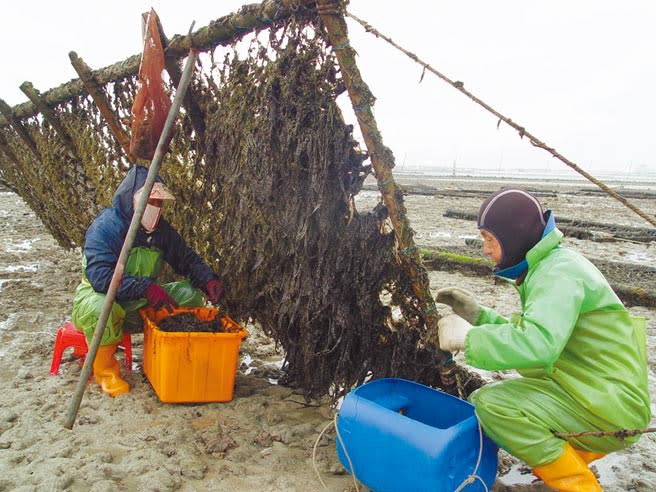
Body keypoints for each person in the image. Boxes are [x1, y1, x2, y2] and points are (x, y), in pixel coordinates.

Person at [436, 187, 650, 491]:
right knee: (519, 400)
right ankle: (567, 459)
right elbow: (536, 334)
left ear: (514, 237)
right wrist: (480, 317)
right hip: (592, 391)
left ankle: (579, 485)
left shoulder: (557, 274)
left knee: (493, 404)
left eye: (490, 239)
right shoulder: (549, 265)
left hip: (609, 405)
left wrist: (470, 339)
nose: (485, 249)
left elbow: (539, 346)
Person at [71, 165, 225, 397]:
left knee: (189, 294)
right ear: (133, 201)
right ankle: (105, 371)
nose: (157, 208)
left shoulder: (162, 232)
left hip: (139, 305)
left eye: (160, 203)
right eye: (152, 202)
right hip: (100, 300)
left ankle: (173, 354)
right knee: (102, 307)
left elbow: (187, 259)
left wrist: (207, 279)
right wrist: (144, 287)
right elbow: (101, 278)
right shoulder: (107, 227)